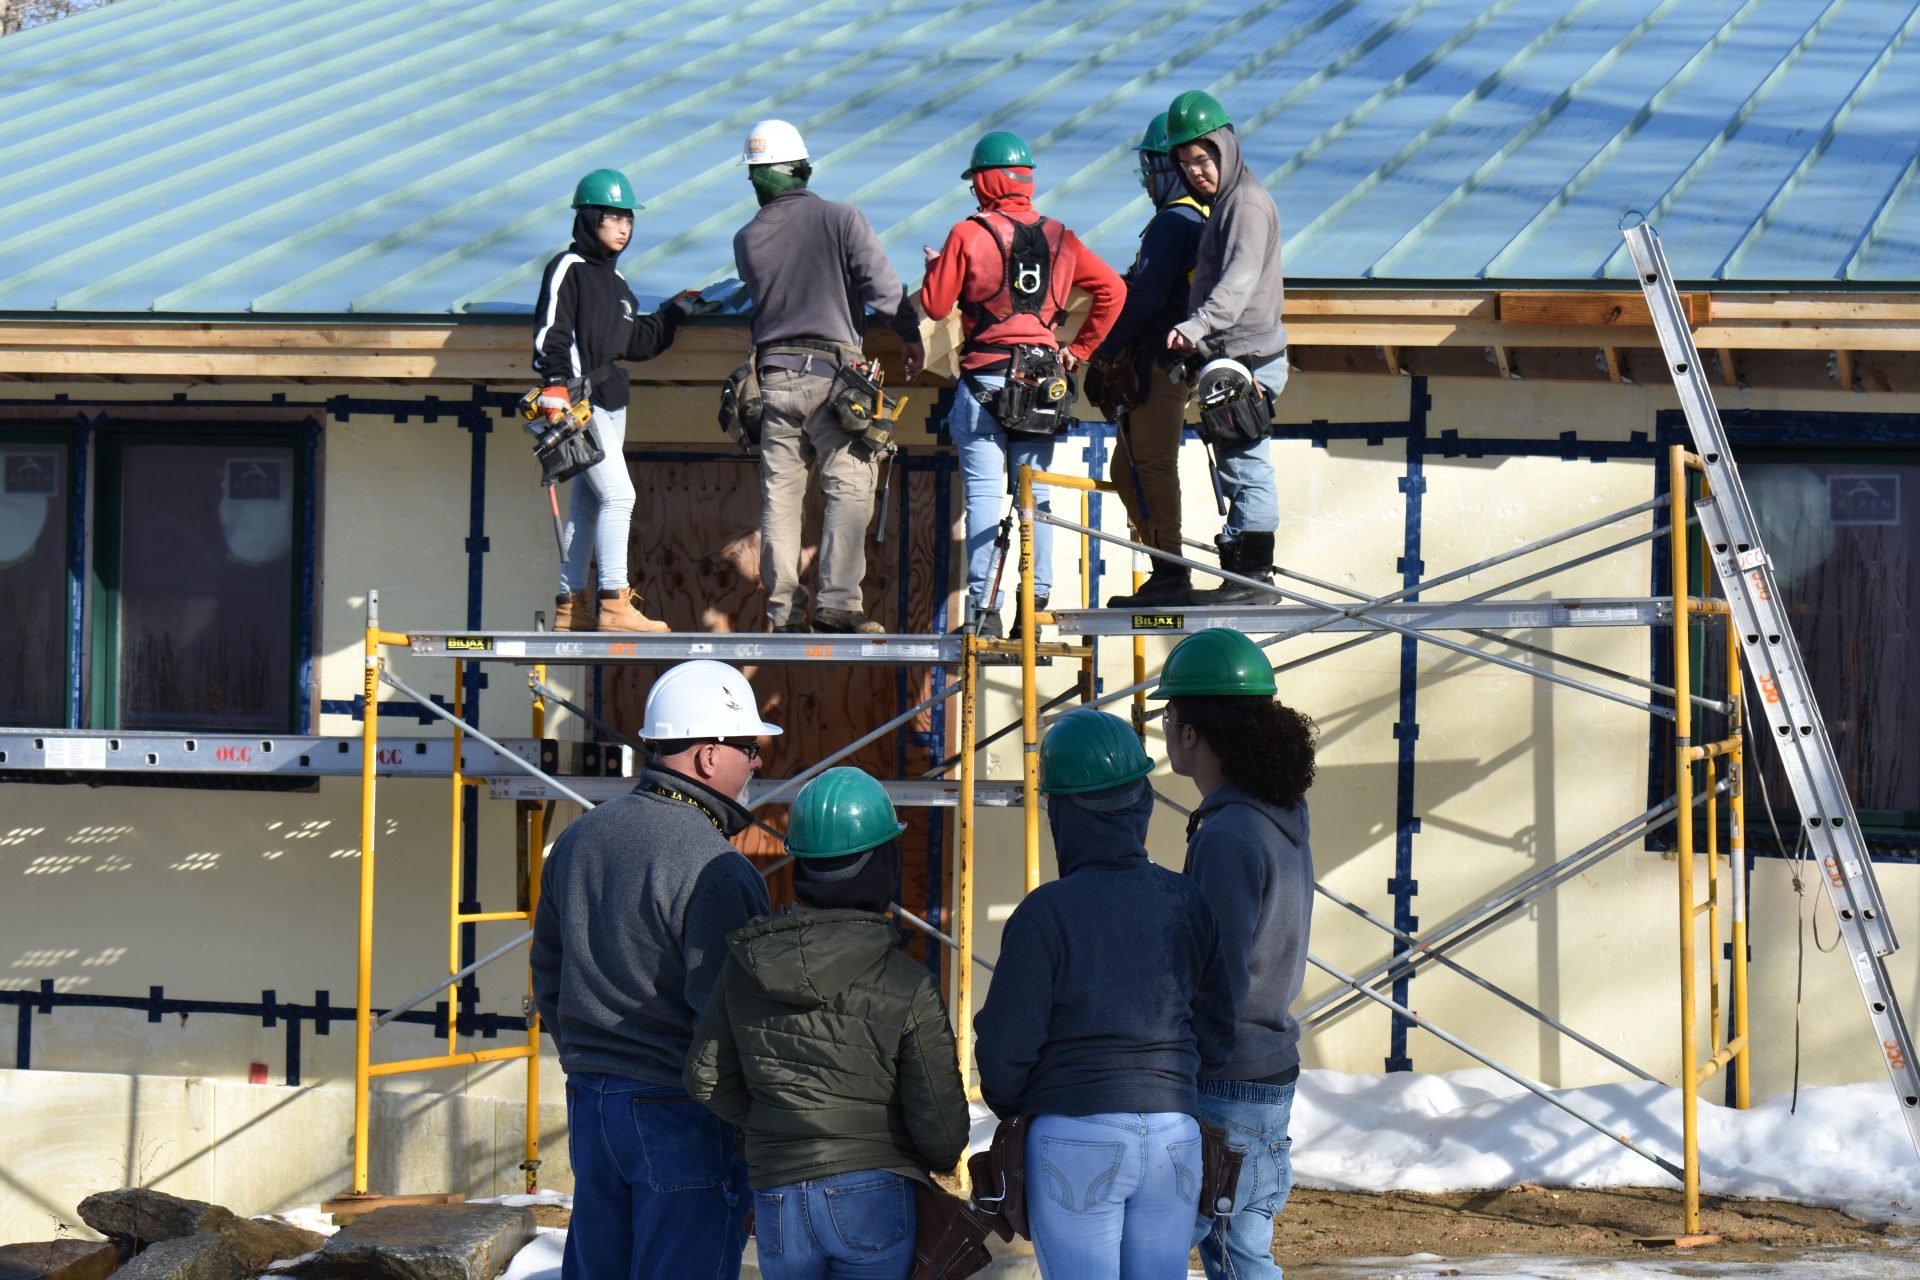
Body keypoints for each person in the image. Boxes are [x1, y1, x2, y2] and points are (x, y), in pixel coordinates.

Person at [530, 659, 780, 1280]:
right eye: (749, 748)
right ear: (707, 757)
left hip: (592, 1103)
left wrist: (590, 1060)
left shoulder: (579, 839)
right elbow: (735, 1020)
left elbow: (549, 976)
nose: (757, 763)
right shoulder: (717, 867)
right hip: (681, 1112)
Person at [974, 707, 1234, 1280]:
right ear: (1141, 802)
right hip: (1175, 1132)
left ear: (1061, 811)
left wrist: (1032, 1103)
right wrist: (1169, 1085)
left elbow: (1005, 1048)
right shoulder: (1187, 902)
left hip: (1073, 1131)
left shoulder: (1046, 913)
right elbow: (1217, 1033)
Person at [686, 766, 970, 1280]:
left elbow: (705, 1078)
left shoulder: (745, 965)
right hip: (874, 1191)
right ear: (882, 864)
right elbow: (943, 1133)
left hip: (777, 1193)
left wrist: (775, 1123)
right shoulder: (907, 982)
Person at [1149, 628, 1317, 1280]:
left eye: (1168, 717)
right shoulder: (1278, 813)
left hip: (1227, 1078)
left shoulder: (1230, 833)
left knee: (1170, 1252)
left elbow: (1215, 973)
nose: (1164, 731)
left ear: (1192, 732)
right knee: (1243, 1255)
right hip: (1264, 1070)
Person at [920, 131, 1125, 639]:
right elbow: (1113, 290)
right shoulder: (1060, 237)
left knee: (985, 496)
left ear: (986, 180)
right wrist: (1078, 351)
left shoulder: (969, 234)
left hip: (986, 380)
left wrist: (936, 267)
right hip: (1040, 386)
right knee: (1036, 497)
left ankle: (983, 613)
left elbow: (935, 306)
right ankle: (1032, 611)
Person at [734, 120, 928, 636]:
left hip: (772, 378)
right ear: (803, 169)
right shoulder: (841, 219)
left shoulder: (746, 238)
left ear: (758, 177)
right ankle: (838, 603)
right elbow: (883, 289)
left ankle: (783, 611)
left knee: (781, 498)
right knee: (848, 485)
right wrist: (909, 334)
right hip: (833, 377)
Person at [532, 168, 688, 633]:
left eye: (629, 219)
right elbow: (550, 332)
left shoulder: (616, 282)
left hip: (611, 403)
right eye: (613, 218)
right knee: (621, 496)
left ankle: (570, 606)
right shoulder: (569, 267)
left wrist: (676, 313)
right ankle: (614, 603)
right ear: (589, 218)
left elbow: (636, 342)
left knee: (587, 505)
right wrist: (554, 384)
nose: (623, 228)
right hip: (580, 403)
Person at [1163, 90, 1289, 606]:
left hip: (1248, 360)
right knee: (1237, 467)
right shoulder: (1229, 203)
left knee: (1246, 467)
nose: (1196, 172)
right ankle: (1244, 576)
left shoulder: (1246, 205)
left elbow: (1239, 280)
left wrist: (1198, 325)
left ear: (1225, 147)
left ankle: (1253, 579)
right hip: (1234, 358)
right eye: (1185, 163)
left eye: (1203, 158)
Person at [1091, 112, 1210, 609]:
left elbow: (1147, 297)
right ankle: (1164, 563)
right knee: (1127, 468)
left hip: (1162, 363)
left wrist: (1104, 354)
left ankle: (1170, 572)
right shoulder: (1193, 219)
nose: (1145, 181)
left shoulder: (1173, 222)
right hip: (1166, 361)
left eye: (1149, 168)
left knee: (1152, 465)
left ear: (1169, 168)